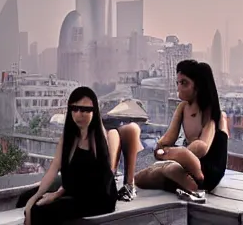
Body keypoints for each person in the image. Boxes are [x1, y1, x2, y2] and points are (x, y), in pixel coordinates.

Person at [18, 86, 143, 225]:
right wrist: (35, 196)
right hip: (74, 189)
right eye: (75, 109)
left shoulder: (98, 140)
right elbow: (54, 168)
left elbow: (93, 181)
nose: (79, 114)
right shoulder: (68, 138)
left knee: (38, 211)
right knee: (25, 199)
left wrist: (56, 195)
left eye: (85, 110)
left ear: (94, 112)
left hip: (97, 197)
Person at [135, 60, 229, 197]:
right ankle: (188, 184)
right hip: (185, 165)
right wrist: (162, 147)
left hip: (207, 170)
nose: (178, 87)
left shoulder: (213, 113)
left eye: (184, 83)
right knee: (144, 177)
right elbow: (169, 137)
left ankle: (192, 181)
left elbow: (202, 147)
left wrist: (173, 154)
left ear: (198, 86)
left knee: (175, 163)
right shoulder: (183, 108)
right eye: (178, 83)